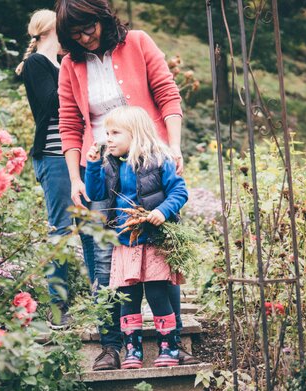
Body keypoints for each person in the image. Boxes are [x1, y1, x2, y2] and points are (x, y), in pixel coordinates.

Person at [55, 0, 199, 369]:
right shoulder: (71, 65)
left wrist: (174, 147)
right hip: (100, 168)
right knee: (105, 261)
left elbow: (168, 94)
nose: (85, 39)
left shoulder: (137, 42)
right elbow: (70, 125)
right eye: (75, 34)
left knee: (162, 254)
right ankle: (113, 347)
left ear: (102, 19)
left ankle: (174, 342)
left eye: (90, 29)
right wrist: (75, 177)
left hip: (149, 160)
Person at [85, 106, 188, 368]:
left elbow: (179, 191)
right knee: (127, 297)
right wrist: (93, 165)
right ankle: (133, 350)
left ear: (136, 134)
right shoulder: (109, 165)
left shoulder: (158, 160)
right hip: (125, 243)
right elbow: (95, 194)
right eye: (107, 132)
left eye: (115, 133)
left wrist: (162, 211)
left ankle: (170, 347)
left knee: (156, 293)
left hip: (153, 241)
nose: (108, 138)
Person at [16, 9, 95, 328]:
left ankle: (100, 297)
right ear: (51, 30)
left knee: (91, 227)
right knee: (61, 230)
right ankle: (57, 309)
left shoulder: (63, 65)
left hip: (79, 155)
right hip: (52, 155)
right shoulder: (37, 64)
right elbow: (52, 105)